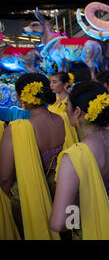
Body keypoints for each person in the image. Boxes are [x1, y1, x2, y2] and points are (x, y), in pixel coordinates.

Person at [49, 81, 109, 239]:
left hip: (93, 222)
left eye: (67, 105)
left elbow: (59, 223)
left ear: (78, 111)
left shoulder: (75, 156)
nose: (65, 109)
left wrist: (75, 224)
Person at [0, 73, 77, 239]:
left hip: (30, 200)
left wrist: (15, 197)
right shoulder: (64, 120)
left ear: (23, 98)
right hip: (61, 191)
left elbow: (5, 179)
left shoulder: (16, 129)